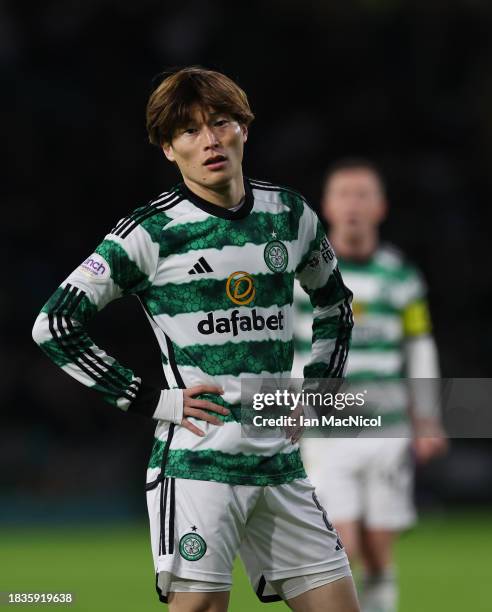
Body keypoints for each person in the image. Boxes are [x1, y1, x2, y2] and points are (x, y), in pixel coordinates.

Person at [32, 67, 359, 612]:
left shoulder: (289, 214)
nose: (209, 140)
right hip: (199, 464)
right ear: (167, 148)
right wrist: (152, 401)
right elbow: (55, 323)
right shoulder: (150, 232)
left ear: (244, 130)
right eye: (188, 131)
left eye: (221, 122)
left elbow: (334, 303)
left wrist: (318, 392)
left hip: (279, 460)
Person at [294, 159, 448, 612]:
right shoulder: (306, 275)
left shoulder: (401, 277)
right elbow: (288, 347)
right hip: (326, 432)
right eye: (344, 194)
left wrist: (429, 418)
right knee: (340, 545)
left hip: (388, 429)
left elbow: (419, 348)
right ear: (327, 206)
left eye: (363, 195)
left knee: (379, 549)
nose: (353, 205)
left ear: (380, 207)